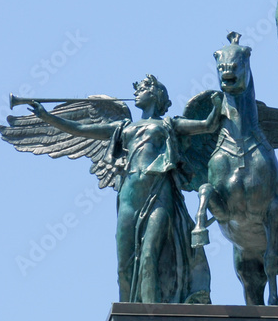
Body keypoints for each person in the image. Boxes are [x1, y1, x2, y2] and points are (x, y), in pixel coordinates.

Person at [28, 76, 222, 304]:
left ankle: (152, 319)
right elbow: (80, 129)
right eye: (138, 89)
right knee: (124, 266)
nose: (138, 92)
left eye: (143, 89)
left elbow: (208, 125)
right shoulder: (123, 128)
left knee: (149, 255)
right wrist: (46, 116)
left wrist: (219, 104)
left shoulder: (169, 125)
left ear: (156, 95)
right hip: (129, 195)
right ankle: (129, 315)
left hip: (160, 192)